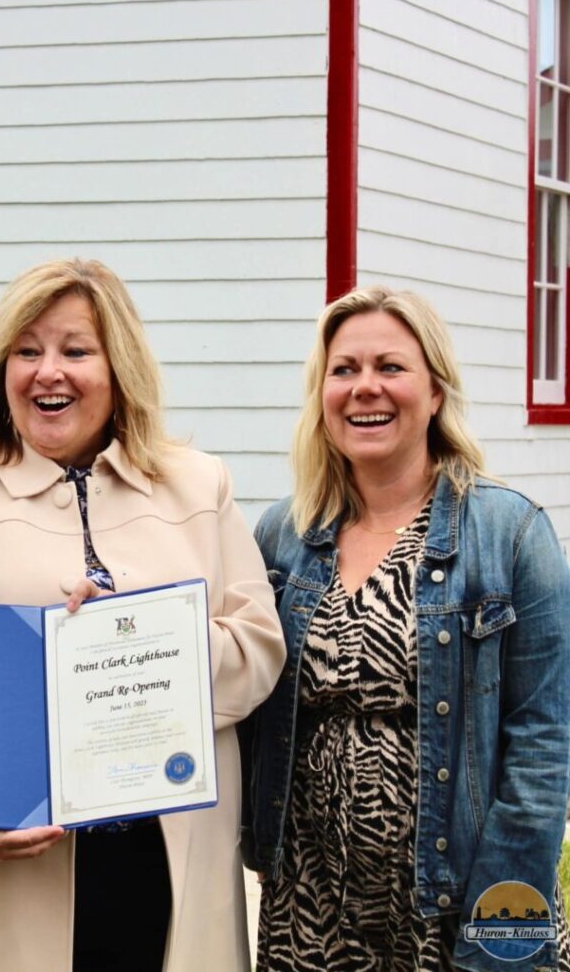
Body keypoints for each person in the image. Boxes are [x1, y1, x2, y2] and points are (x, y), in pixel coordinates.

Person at [0, 258, 285, 972]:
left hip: (160, 869)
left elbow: (259, 648)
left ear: (119, 368)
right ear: (1, 368)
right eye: (27, 351)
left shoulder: (198, 486)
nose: (49, 372)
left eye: (76, 350)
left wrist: (145, 642)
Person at [242, 286, 570, 971]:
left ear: (436, 392)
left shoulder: (511, 535)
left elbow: (541, 748)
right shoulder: (283, 535)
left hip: (450, 903)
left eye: (391, 367)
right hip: (311, 907)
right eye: (345, 370)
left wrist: (499, 929)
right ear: (322, 393)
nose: (366, 389)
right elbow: (243, 702)